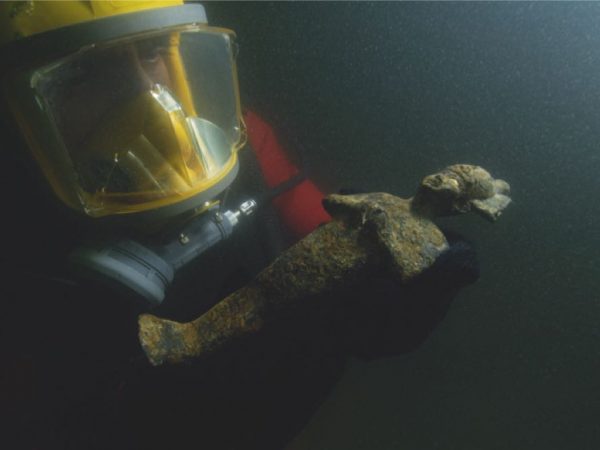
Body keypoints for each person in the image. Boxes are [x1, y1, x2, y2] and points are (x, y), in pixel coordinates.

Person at [0, 2, 479, 449]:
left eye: (151, 53)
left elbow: (319, 224)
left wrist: (396, 276)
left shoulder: (242, 141)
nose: (144, 99)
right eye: (82, 74)